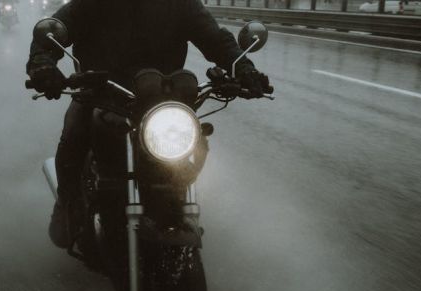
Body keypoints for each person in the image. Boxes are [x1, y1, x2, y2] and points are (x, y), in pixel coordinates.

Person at [26, 0, 273, 248]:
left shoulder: (180, 4)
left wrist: (243, 68)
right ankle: (67, 205)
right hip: (101, 94)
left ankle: (175, 201)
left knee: (194, 139)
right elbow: (55, 29)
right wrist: (43, 64)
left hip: (159, 99)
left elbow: (215, 39)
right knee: (73, 135)